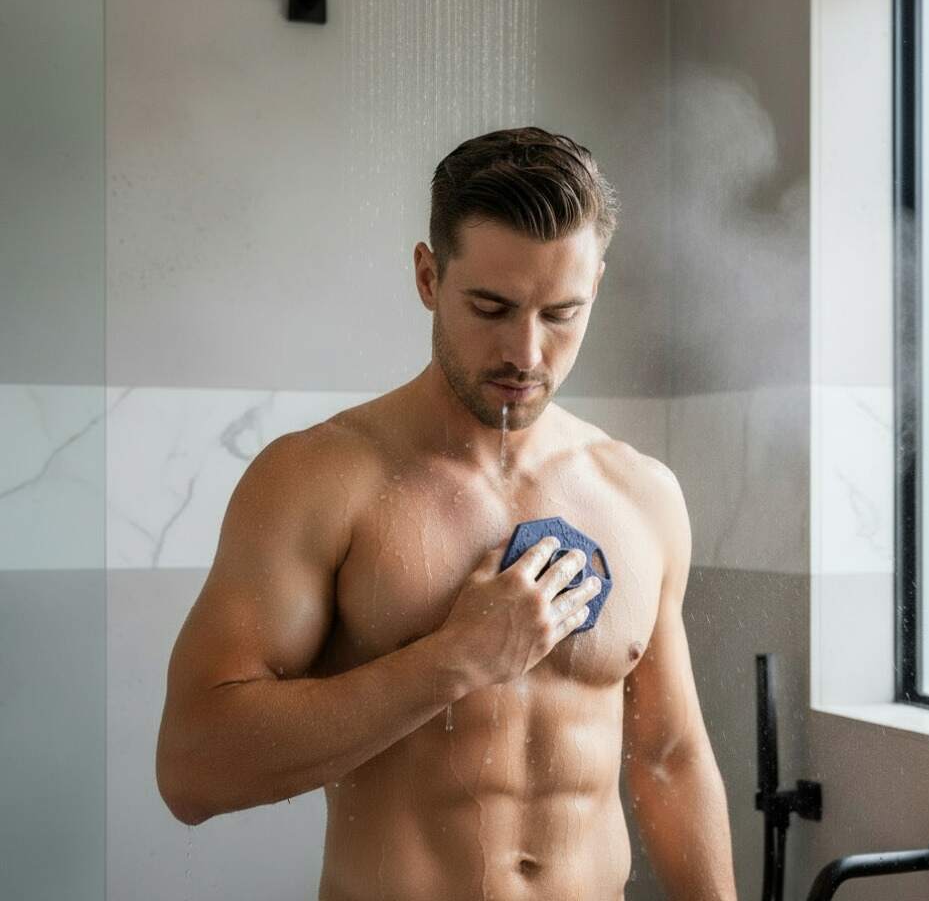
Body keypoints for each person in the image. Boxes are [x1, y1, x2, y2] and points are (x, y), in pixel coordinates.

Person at [155, 126, 738, 901]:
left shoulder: (643, 493)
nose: (526, 353)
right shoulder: (319, 481)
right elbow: (194, 770)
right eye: (491, 308)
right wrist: (455, 658)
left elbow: (668, 756)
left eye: (561, 313)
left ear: (596, 284)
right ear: (428, 277)